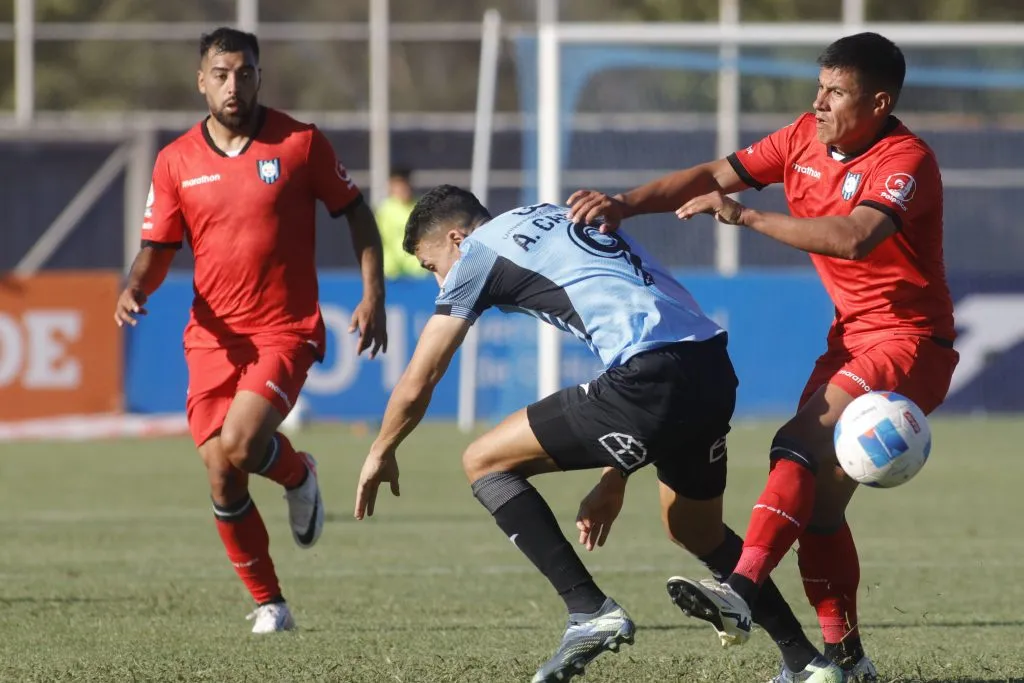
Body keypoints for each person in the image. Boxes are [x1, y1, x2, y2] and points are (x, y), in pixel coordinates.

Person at [567, 32, 957, 682]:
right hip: (852, 337)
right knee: (820, 510)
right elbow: (713, 175)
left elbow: (855, 237)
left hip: (910, 341)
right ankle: (847, 659)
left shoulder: (906, 159)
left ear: (879, 102)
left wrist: (745, 218)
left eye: (837, 91)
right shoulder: (802, 135)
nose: (820, 100)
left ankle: (740, 590)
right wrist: (626, 203)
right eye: (821, 85)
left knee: (795, 444)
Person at [352, 185, 844, 683]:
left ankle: (588, 610)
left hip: (649, 377)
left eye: (432, 266)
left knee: (483, 460)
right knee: (694, 529)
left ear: (456, 238)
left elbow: (420, 378)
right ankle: (807, 664)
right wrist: (616, 474)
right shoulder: (551, 214)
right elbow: (638, 319)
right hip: (710, 366)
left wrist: (381, 449)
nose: (439, 284)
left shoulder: (478, 253)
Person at [113, 27, 388, 633]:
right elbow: (156, 248)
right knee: (221, 471)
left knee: (239, 443)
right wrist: (136, 286)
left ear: (259, 76)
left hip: (284, 329)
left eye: (244, 73)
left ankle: (296, 473)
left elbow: (358, 215)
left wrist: (374, 294)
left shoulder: (299, 143)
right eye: (220, 74)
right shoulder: (176, 161)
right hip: (212, 337)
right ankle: (271, 602)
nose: (232, 85)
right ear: (201, 80)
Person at [376, 167, 426, 279]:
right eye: (398, 185)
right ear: (391, 186)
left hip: (418, 273)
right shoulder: (385, 210)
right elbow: (381, 241)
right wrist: (388, 266)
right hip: (392, 274)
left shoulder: (421, 207)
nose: (403, 188)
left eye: (405, 184)